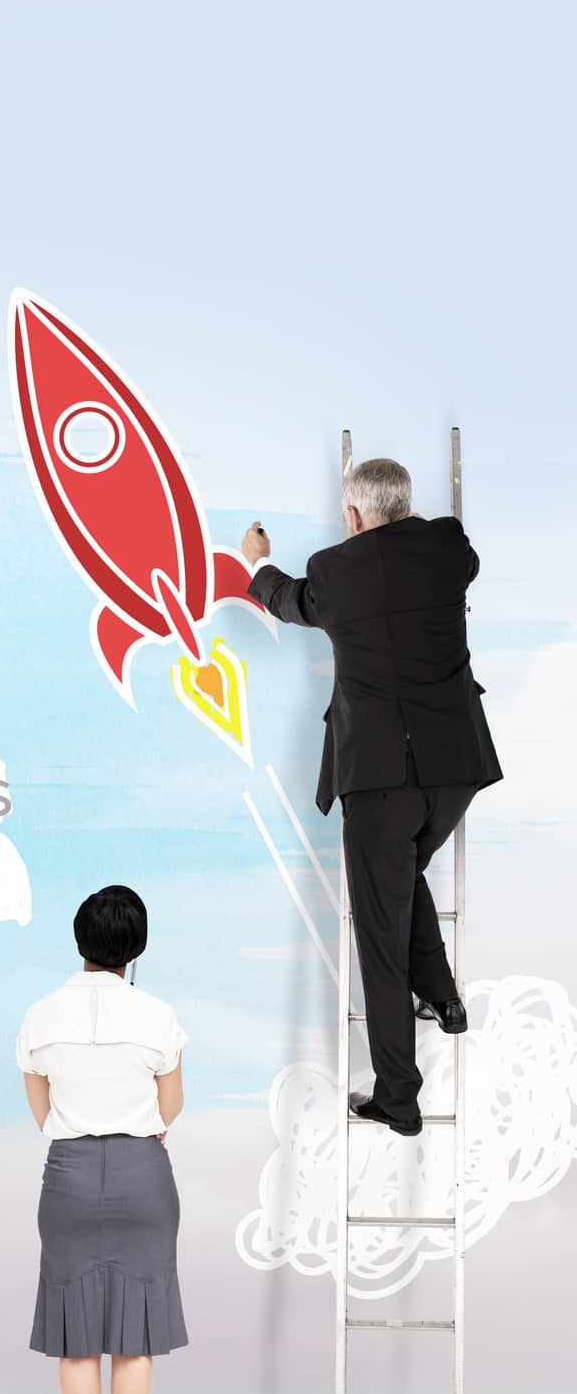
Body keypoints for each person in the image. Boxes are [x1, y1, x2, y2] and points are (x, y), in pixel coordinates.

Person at [242, 458, 501, 1135]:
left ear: (353, 516)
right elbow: (456, 560)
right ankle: (442, 997)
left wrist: (256, 564)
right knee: (401, 878)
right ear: (407, 507)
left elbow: (288, 600)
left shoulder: (333, 572)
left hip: (380, 778)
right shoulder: (448, 549)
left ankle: (399, 1098)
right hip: (454, 770)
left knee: (380, 933)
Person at [15, 885, 187, 1394]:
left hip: (70, 1177)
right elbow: (170, 1106)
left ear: (80, 940)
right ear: (135, 948)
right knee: (135, 1338)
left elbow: (41, 1110)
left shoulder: (39, 1015)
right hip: (145, 1174)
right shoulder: (158, 1014)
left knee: (77, 1338)